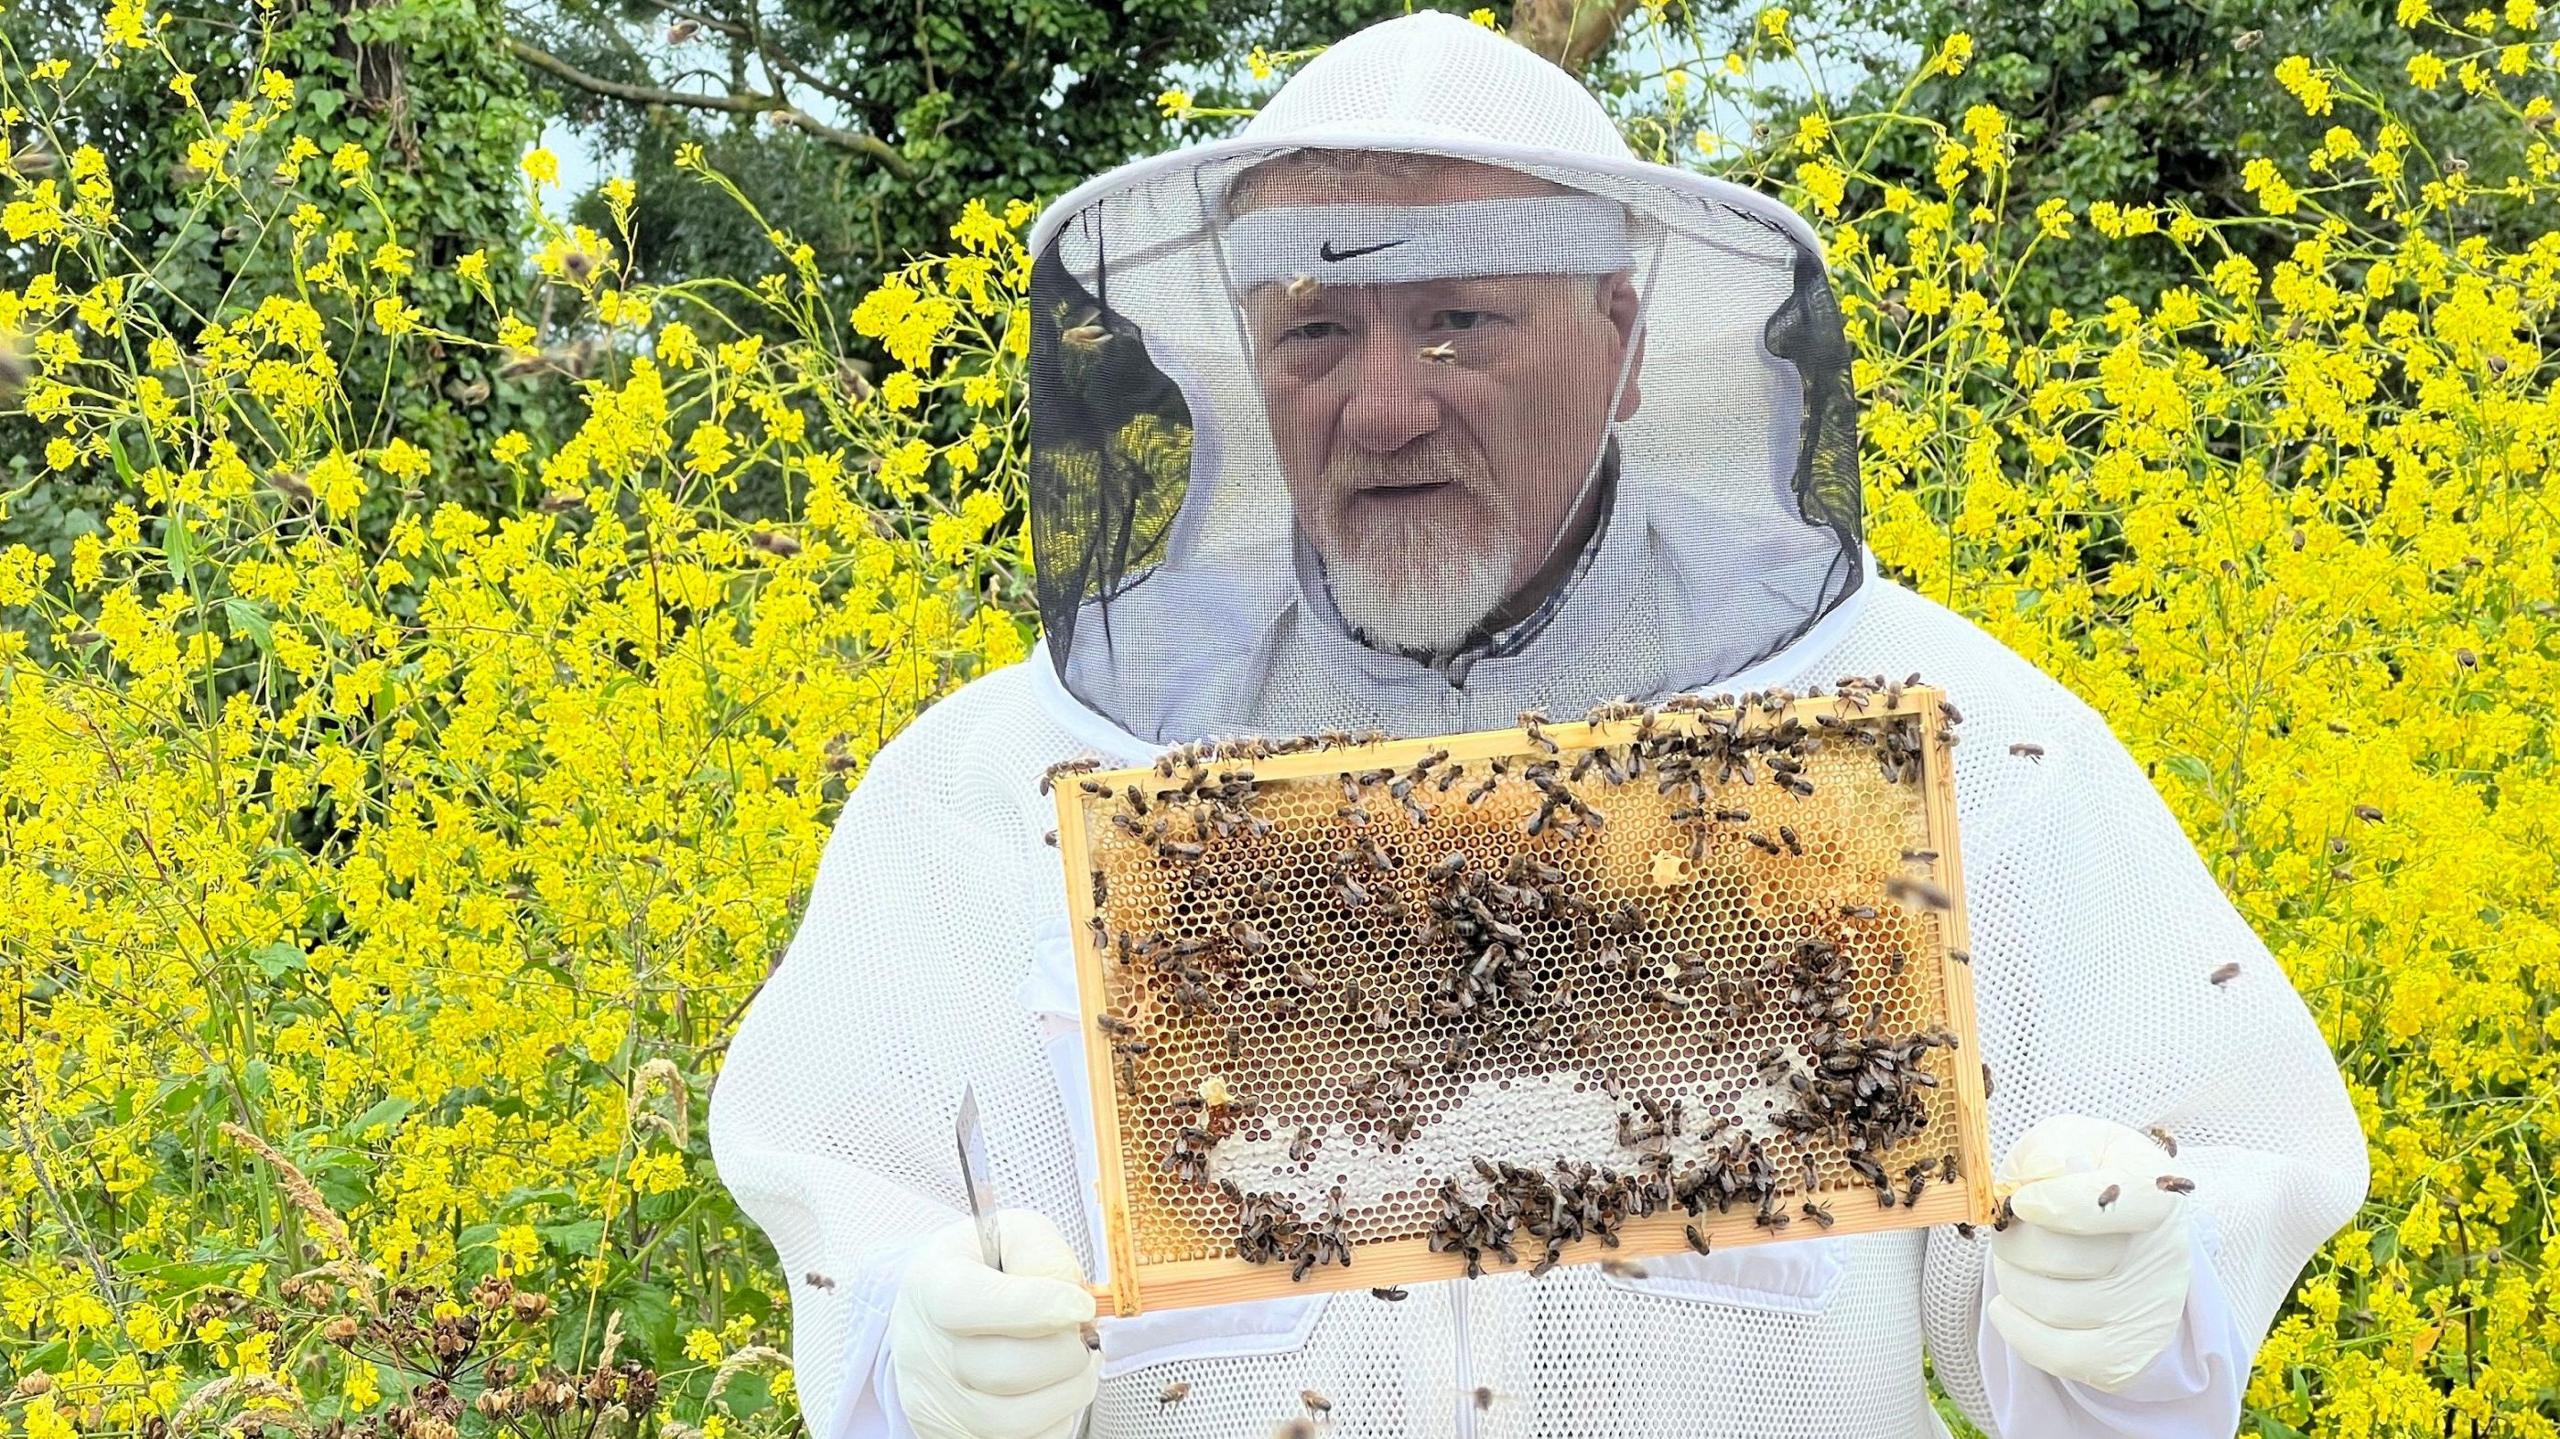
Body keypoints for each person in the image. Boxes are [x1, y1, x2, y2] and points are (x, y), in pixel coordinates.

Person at [708, 12, 2368, 1438]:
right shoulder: (999, 786)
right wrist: (908, 1351)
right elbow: (859, 1200)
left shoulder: (1935, 734)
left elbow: (2183, 1192)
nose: (1386, 405)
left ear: (1623, 339)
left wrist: (2141, 1264)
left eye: (1461, 323)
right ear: (1240, 364)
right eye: (1315, 333)